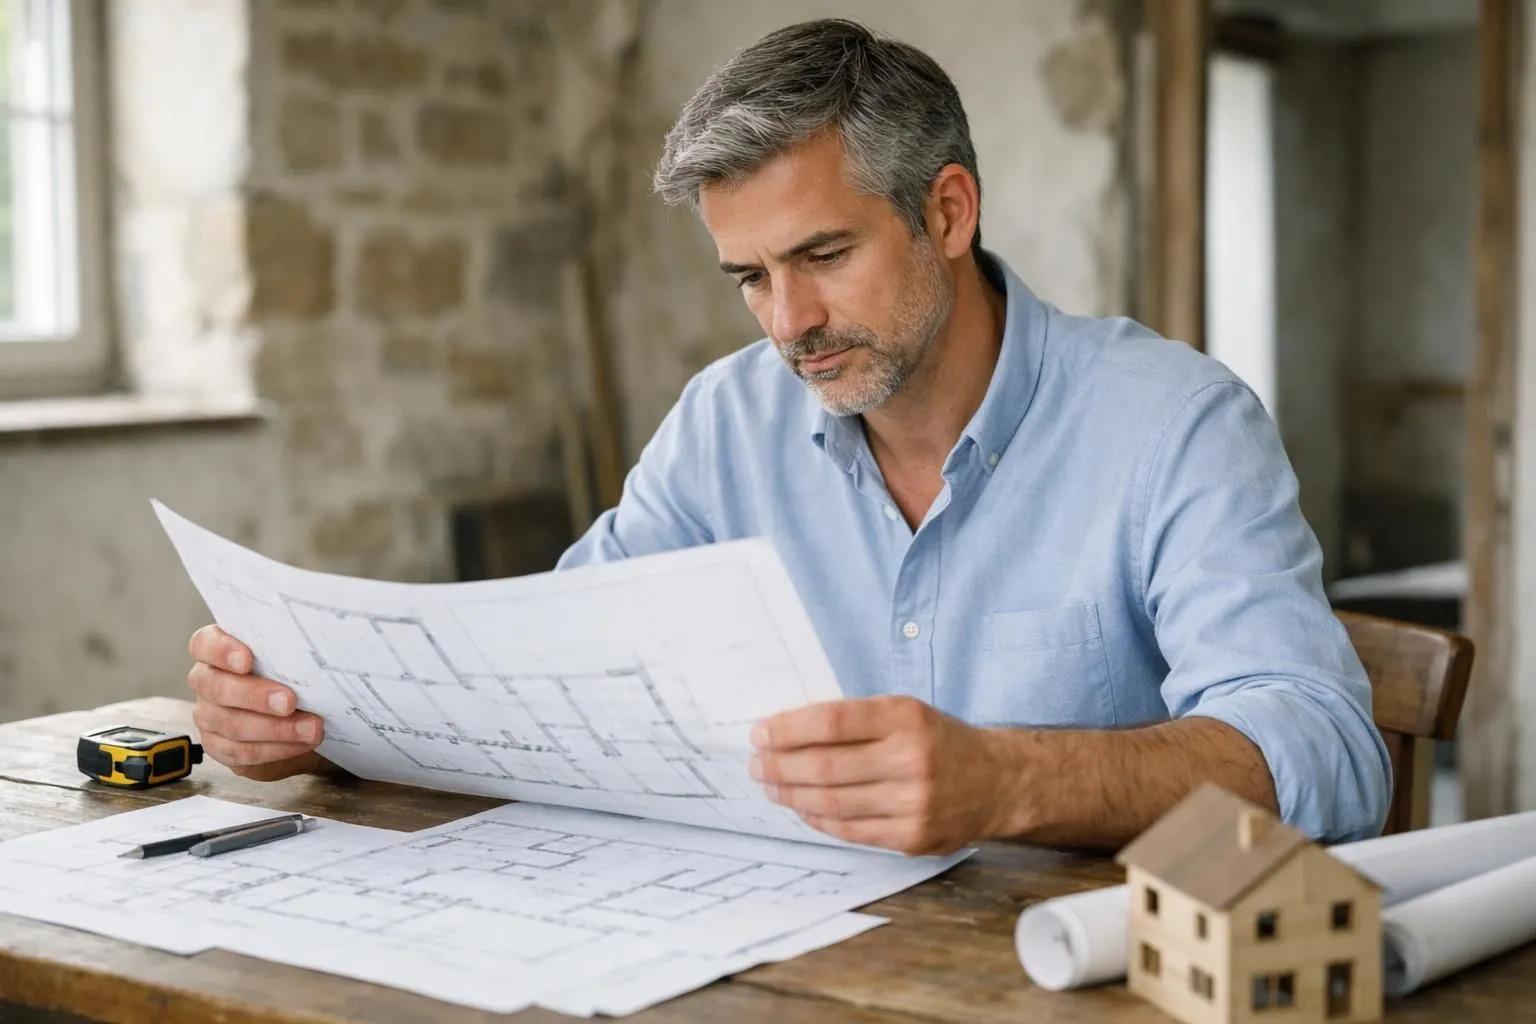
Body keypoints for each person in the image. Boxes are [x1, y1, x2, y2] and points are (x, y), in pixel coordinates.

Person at [185, 18, 1391, 855]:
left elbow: (1330, 750)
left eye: (822, 256)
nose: (789, 323)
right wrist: (318, 729)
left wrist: (1012, 779)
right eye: (748, 277)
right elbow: (548, 676)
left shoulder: (1175, 422)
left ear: (949, 209)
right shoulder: (727, 421)